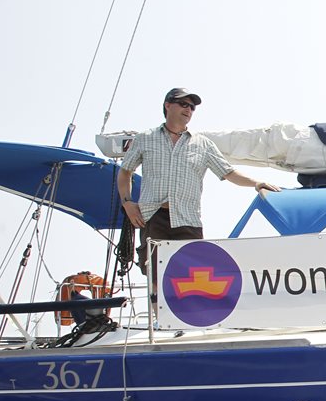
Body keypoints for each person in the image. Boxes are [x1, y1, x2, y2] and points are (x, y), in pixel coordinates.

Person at [117, 88, 281, 278]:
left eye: (192, 107)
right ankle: (156, 309)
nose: (189, 109)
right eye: (183, 104)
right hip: (154, 217)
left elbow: (229, 173)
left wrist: (257, 183)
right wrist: (127, 203)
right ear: (167, 105)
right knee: (157, 278)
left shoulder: (203, 144)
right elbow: (125, 172)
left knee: (192, 278)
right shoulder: (145, 139)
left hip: (188, 220)